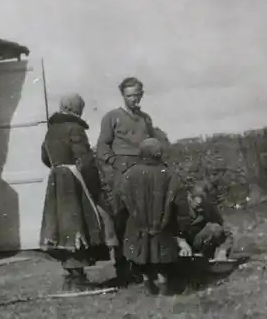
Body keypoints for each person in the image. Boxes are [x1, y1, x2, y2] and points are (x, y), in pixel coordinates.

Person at [40, 93, 116, 291]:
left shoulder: (51, 130)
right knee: (78, 223)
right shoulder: (76, 128)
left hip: (56, 179)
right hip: (74, 179)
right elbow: (85, 160)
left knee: (63, 225)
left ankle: (72, 276)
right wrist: (93, 185)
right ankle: (78, 277)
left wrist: (58, 168)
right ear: (76, 109)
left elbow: (45, 157)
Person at [96, 77, 157, 285]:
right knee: (122, 219)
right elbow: (102, 149)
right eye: (129, 95)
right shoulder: (112, 117)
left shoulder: (146, 119)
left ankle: (145, 266)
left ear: (142, 94)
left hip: (145, 172)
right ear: (123, 96)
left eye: (136, 95)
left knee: (146, 218)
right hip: (122, 175)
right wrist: (117, 163)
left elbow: (154, 145)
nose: (133, 99)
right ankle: (123, 269)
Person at [115, 138, 192, 295]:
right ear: (159, 154)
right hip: (164, 230)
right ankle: (163, 285)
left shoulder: (127, 175)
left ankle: (147, 283)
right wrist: (182, 233)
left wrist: (121, 230)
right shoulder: (170, 175)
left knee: (142, 262)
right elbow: (182, 208)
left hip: (135, 229)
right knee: (162, 264)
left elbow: (118, 207)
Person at [182, 180, 234, 260]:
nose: (200, 205)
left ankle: (205, 258)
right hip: (180, 246)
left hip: (198, 244)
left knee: (214, 228)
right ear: (189, 196)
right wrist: (181, 243)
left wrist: (223, 250)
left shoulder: (209, 208)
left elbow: (228, 234)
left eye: (203, 202)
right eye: (197, 201)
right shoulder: (179, 207)